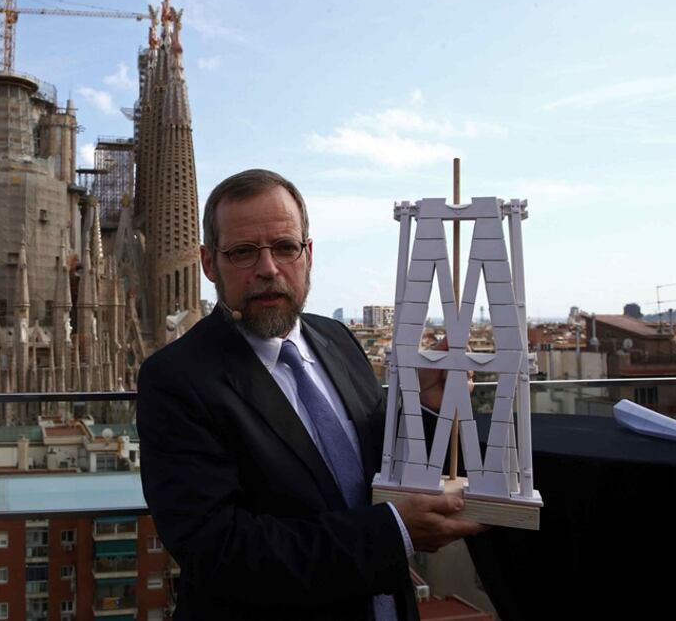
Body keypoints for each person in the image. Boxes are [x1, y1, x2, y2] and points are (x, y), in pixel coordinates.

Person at [137, 169, 484, 620]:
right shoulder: (176, 378)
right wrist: (393, 531)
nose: (268, 268)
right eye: (243, 252)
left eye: (285, 247)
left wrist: (425, 407)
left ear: (309, 254)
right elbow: (220, 551)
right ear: (208, 264)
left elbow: (382, 463)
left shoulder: (337, 338)